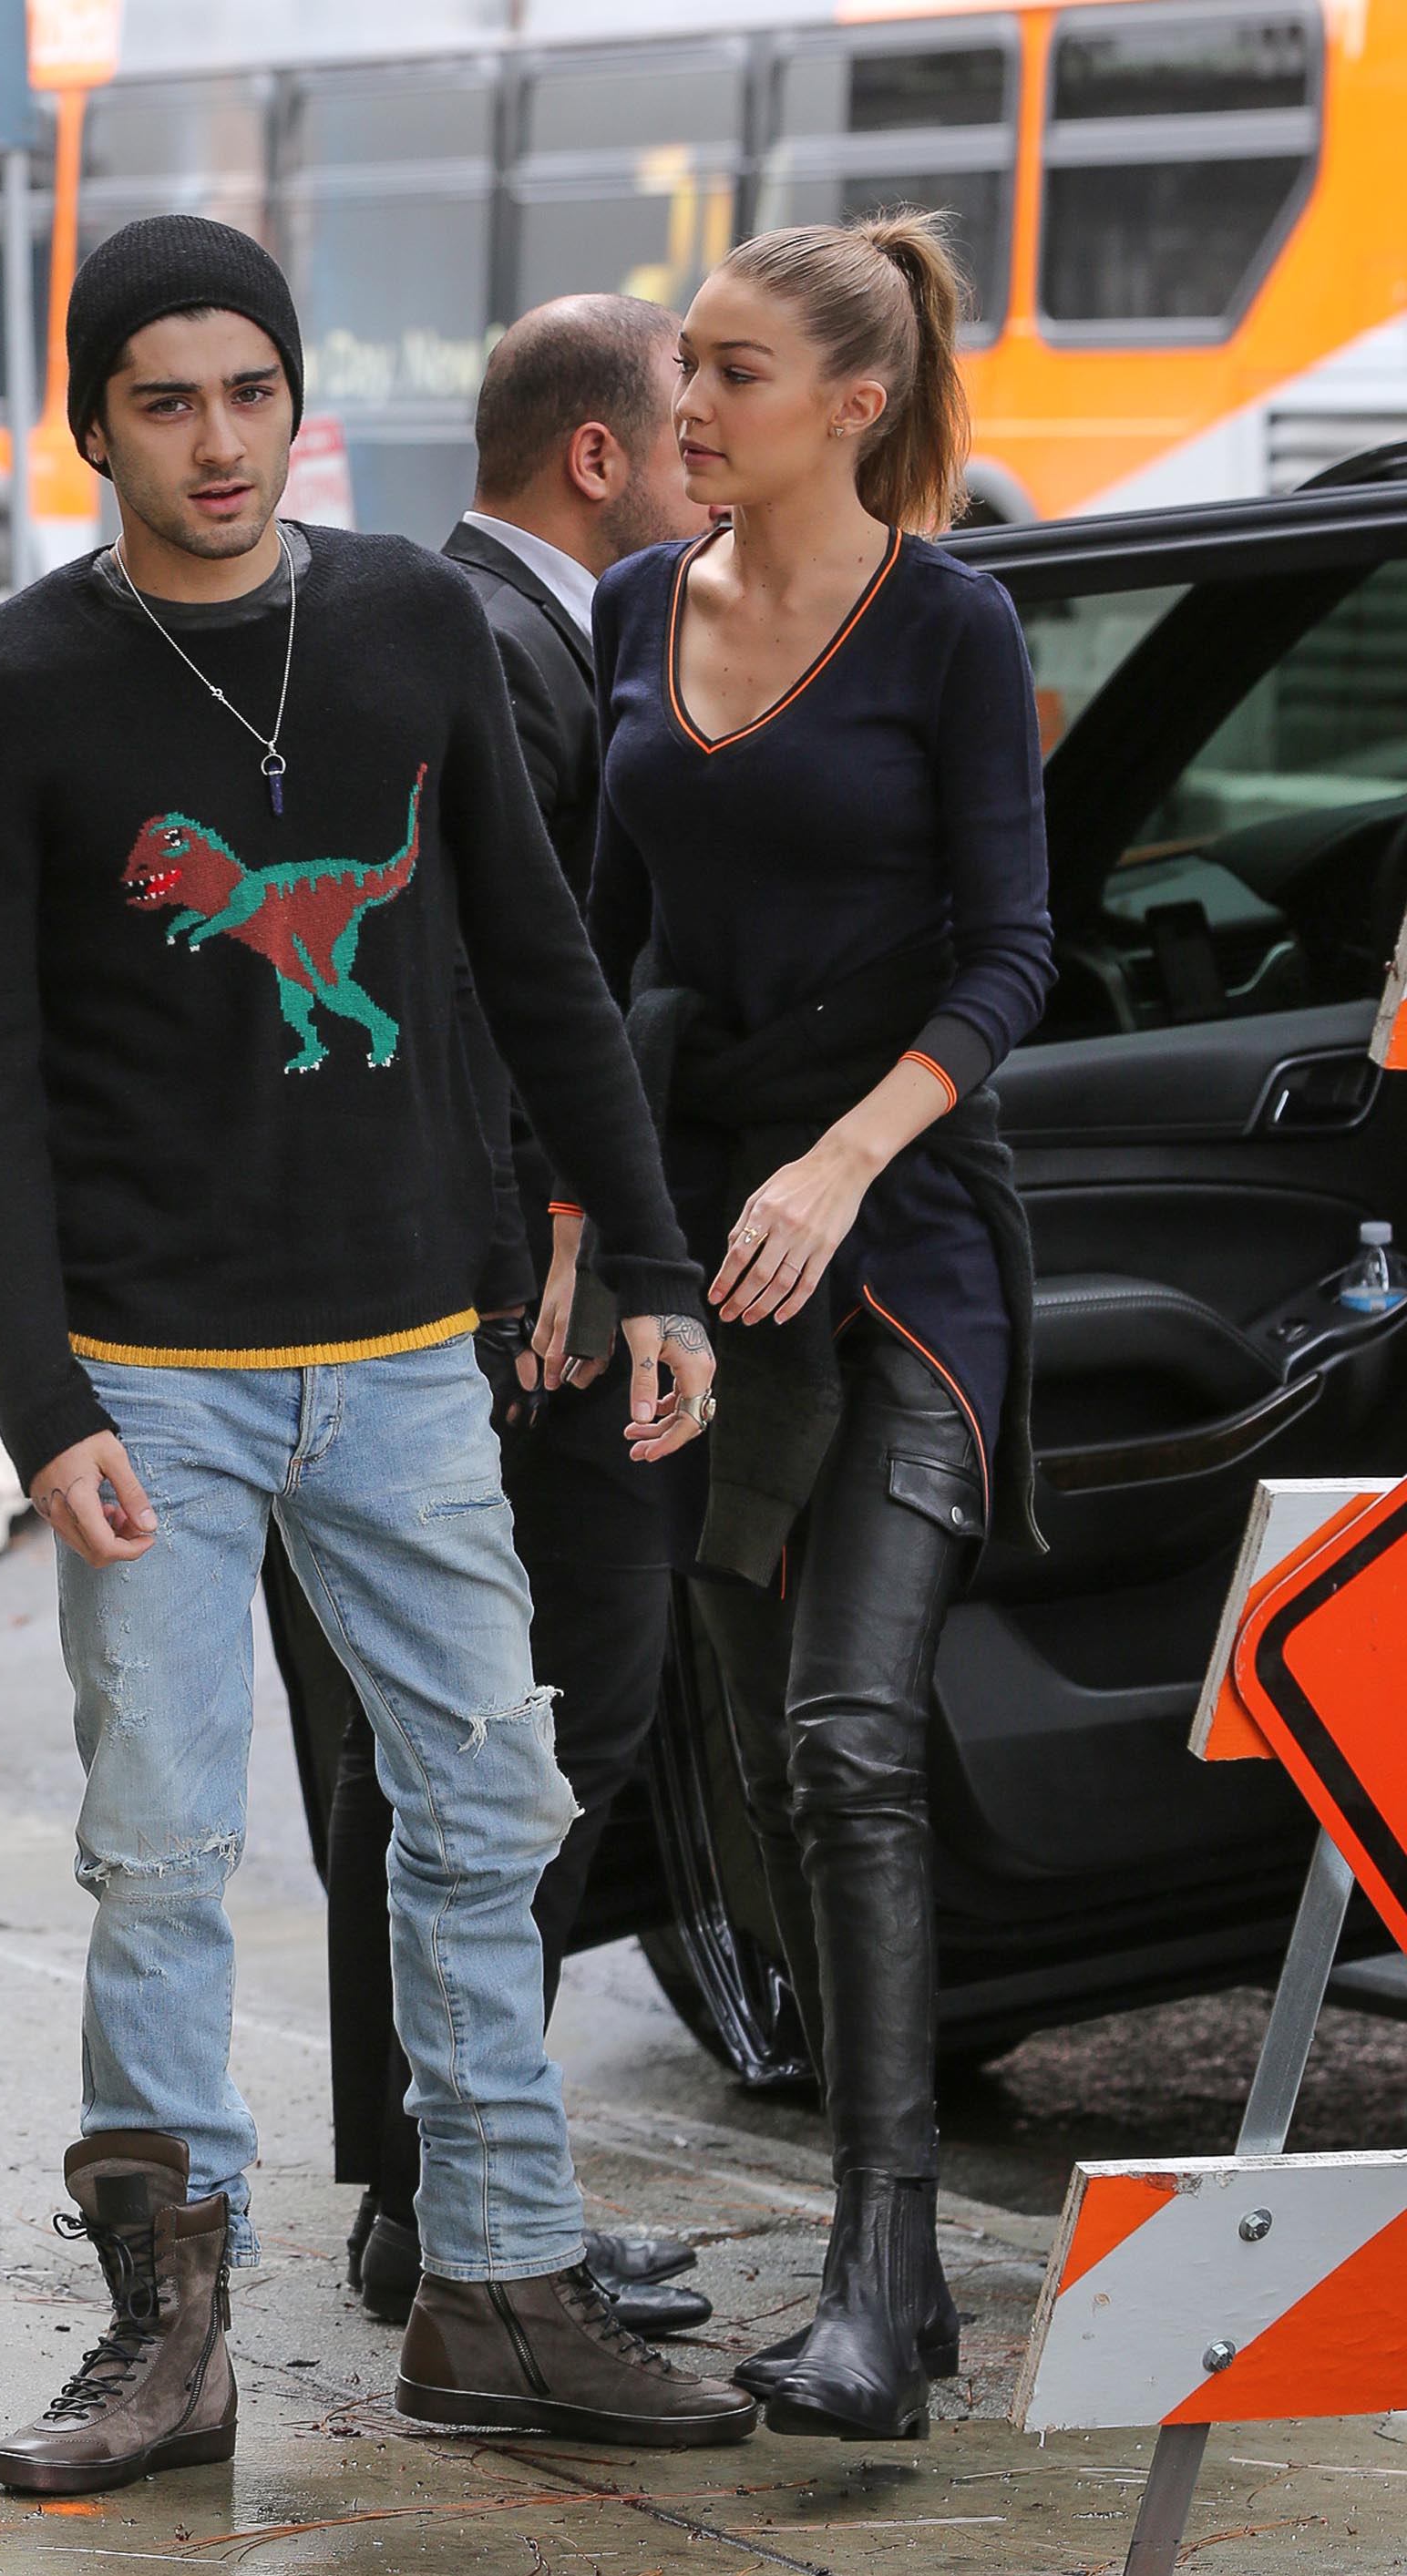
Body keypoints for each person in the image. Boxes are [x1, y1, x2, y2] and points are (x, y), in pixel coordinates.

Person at [0, 213, 757, 2495]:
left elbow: (541, 969)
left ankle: (498, 2287)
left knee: (487, 1813)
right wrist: (39, 1403)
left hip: (405, 1361)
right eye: (163, 399)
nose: (213, 440)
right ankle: (169, 2343)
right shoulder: (6, 694)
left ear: (304, 405)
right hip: (149, 1386)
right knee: (163, 1853)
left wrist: (652, 1270)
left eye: (248, 393)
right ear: (93, 423)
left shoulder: (398, 624)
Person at [582, 213, 1055, 2444]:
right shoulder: (620, 612)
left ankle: (887, 2275)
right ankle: (877, 2271)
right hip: (699, 1268)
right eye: (686, 364)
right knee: (759, 1772)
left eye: (735, 373)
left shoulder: (951, 628)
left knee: (858, 1736)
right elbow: (594, 955)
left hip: (899, 1242)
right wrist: (587, 1224)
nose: (687, 405)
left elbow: (1014, 959)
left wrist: (843, 1159)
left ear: (852, 407)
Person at [326, 294, 714, 2339]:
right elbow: (475, 994)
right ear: (596, 456)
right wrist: (546, 1250)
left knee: (483, 1742)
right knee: (539, 1729)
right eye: (686, 424)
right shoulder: (495, 645)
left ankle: (439, 2187)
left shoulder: (521, 633)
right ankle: (453, 2196)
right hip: (518, 1313)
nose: (704, 460)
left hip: (498, 1289)